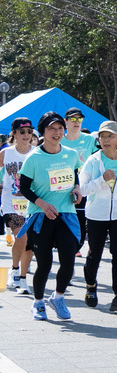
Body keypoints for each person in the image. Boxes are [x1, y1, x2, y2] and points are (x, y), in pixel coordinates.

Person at [16, 112, 84, 321]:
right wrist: (43, 204)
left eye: (60, 128)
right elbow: (24, 188)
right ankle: (38, 303)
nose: (57, 132)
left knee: (68, 261)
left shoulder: (71, 154)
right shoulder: (34, 158)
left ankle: (58, 297)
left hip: (66, 214)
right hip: (40, 215)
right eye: (51, 129)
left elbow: (75, 175)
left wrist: (77, 188)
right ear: (42, 132)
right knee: (44, 264)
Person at [78, 120, 117, 311]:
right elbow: (82, 189)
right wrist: (101, 179)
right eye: (102, 136)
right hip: (96, 214)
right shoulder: (93, 161)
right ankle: (91, 286)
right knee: (95, 254)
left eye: (110, 136)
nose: (105, 140)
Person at [3, 117, 36, 293]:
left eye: (29, 131)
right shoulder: (6, 153)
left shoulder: (37, 153)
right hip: (12, 204)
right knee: (21, 238)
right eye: (22, 131)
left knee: (29, 243)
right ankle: (15, 271)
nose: (26, 135)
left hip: (33, 204)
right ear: (14, 133)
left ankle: (22, 279)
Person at [61, 107, 98, 244]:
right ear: (65, 121)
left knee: (82, 221)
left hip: (84, 186)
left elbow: (99, 159)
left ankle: (78, 247)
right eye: (73, 119)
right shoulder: (59, 140)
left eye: (79, 119)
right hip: (64, 187)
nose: (76, 122)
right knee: (65, 221)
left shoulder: (89, 140)